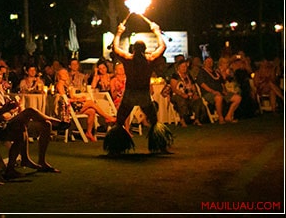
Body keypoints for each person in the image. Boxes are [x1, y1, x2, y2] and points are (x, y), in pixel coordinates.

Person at [0, 69, 61, 180]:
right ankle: (55, 122)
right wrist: (5, 110)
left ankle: (13, 167)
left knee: (26, 125)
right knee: (29, 113)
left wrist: (6, 109)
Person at [103, 21, 173, 155]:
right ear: (145, 48)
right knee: (154, 122)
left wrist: (118, 33)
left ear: (133, 49)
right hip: (143, 94)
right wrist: (156, 31)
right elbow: (163, 46)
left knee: (120, 122)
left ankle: (115, 149)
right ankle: (161, 147)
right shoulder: (150, 58)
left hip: (130, 93)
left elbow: (115, 48)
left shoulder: (128, 59)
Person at [55, 68, 116, 142]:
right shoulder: (60, 85)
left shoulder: (66, 85)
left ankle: (89, 132)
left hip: (72, 106)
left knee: (92, 111)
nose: (66, 75)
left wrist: (79, 97)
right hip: (67, 108)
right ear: (59, 75)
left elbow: (71, 96)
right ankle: (107, 117)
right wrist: (79, 100)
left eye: (66, 73)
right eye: (63, 73)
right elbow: (64, 99)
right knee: (90, 102)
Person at [196, 56, 242, 124]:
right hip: (209, 93)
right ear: (204, 62)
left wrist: (224, 90)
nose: (209, 63)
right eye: (208, 61)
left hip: (220, 92)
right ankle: (221, 118)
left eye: (211, 61)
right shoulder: (202, 72)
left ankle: (228, 116)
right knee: (218, 98)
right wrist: (213, 91)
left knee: (237, 98)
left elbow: (221, 82)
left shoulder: (215, 72)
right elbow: (202, 84)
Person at [169, 60, 208, 127]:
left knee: (197, 100)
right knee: (180, 100)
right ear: (178, 67)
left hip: (189, 94)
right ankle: (182, 119)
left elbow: (193, 86)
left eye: (185, 67)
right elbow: (174, 89)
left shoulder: (188, 76)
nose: (184, 68)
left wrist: (194, 93)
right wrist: (183, 94)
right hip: (178, 95)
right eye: (182, 67)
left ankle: (197, 119)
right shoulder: (175, 76)